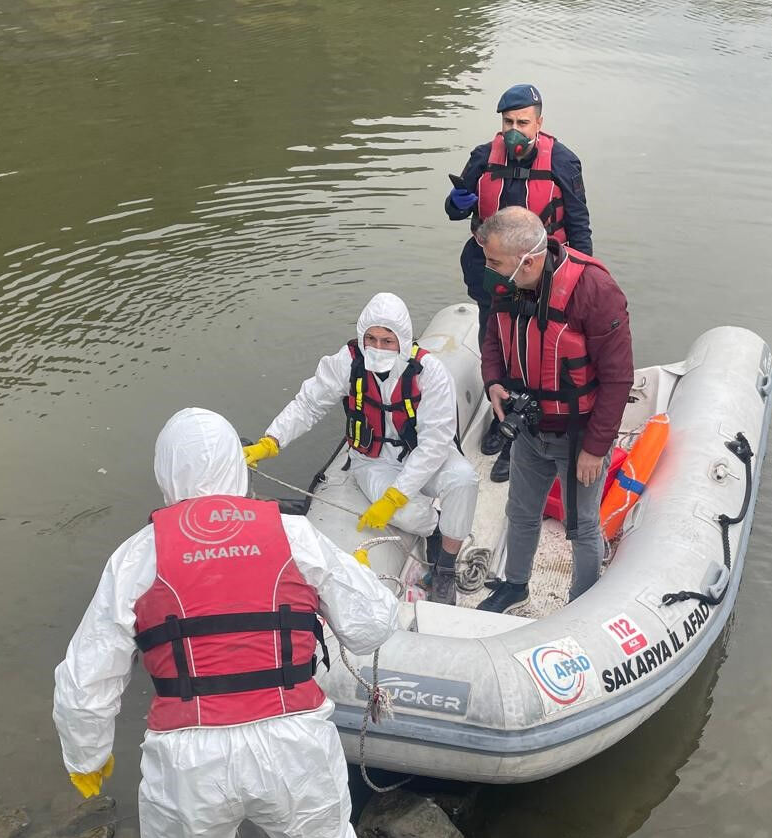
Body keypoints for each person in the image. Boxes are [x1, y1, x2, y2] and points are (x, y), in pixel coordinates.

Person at [53, 408, 399, 838]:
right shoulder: (293, 535)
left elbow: (86, 679)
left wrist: (86, 757)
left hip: (190, 755)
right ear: (237, 466)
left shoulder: (138, 555)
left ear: (166, 472)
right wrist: (351, 580)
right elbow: (371, 627)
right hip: (293, 740)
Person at [242, 293, 479, 605]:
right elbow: (309, 403)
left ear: (402, 340)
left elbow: (435, 442)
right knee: (406, 515)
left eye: (387, 341)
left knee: (464, 479)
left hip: (423, 454)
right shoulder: (348, 362)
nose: (378, 347)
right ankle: (435, 529)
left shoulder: (429, 373)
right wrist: (272, 441)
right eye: (371, 339)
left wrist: (398, 493)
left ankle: (445, 567)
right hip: (373, 460)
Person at [474, 206, 634, 613]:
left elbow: (618, 378)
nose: (488, 270)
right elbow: (493, 337)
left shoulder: (594, 291)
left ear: (527, 261)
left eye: (494, 262)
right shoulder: (508, 285)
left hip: (578, 435)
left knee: (582, 526)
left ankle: (582, 602)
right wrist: (493, 381)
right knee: (520, 512)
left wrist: (595, 448)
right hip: (528, 429)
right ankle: (515, 586)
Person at [444, 83, 593, 481]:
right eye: (508, 122)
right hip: (491, 272)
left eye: (522, 122)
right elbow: (456, 208)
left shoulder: (563, 162)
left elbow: (579, 226)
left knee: (533, 350)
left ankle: (522, 435)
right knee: (493, 341)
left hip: (539, 276)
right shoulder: (483, 157)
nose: (514, 130)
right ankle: (501, 416)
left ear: (538, 123)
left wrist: (583, 279)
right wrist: (456, 203)